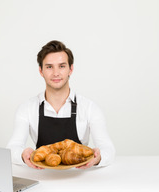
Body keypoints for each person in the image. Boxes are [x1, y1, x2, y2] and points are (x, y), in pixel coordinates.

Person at [7, 40, 115, 169]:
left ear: (71, 69)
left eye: (62, 66)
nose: (56, 73)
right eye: (49, 67)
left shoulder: (89, 108)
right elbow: (12, 148)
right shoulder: (27, 108)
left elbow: (108, 149)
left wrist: (99, 157)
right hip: (41, 177)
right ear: (41, 71)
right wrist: (22, 155)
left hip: (79, 178)